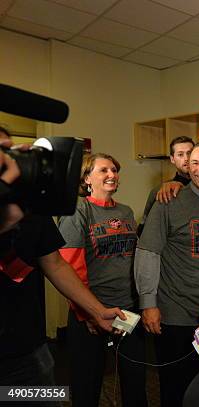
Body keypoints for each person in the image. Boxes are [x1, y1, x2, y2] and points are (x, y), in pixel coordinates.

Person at [1, 132, 124, 401]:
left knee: (41, 398)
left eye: (10, 151)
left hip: (29, 349)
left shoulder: (32, 207)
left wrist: (97, 310)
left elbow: (55, 264)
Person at [135, 141, 199, 407]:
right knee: (175, 389)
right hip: (175, 314)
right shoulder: (168, 200)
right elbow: (147, 252)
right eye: (195, 163)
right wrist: (148, 304)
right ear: (186, 167)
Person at [58, 153, 146, 407]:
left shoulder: (126, 211)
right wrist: (88, 313)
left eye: (115, 170)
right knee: (87, 386)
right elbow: (70, 266)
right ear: (87, 178)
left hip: (128, 310)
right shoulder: (78, 210)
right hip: (91, 313)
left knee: (135, 382)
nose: (112, 175)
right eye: (104, 170)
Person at [138, 136, 194, 235]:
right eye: (180, 154)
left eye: (190, 153)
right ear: (172, 159)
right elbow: (144, 230)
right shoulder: (160, 191)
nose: (186, 158)